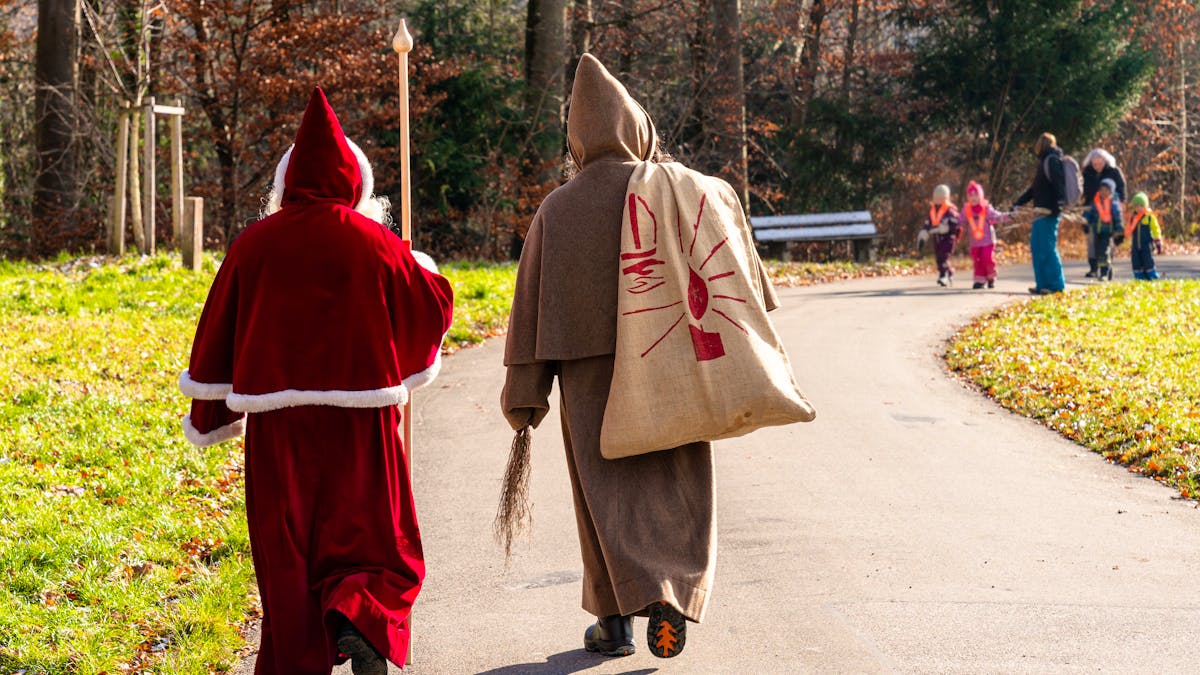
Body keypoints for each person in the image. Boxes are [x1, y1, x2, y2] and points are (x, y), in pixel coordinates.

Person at [178, 88, 454, 675]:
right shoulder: (378, 244)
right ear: (357, 183)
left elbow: (217, 334)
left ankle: (300, 657)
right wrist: (421, 266)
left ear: (285, 183)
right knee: (377, 538)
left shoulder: (252, 246)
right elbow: (428, 307)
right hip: (364, 425)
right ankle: (360, 611)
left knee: (289, 557)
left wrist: (210, 417)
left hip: (280, 434)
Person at [501, 54, 762, 660]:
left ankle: (614, 621)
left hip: (588, 377)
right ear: (638, 127)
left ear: (578, 138)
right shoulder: (679, 191)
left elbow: (529, 309)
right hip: (674, 358)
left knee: (603, 499)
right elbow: (739, 275)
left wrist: (525, 396)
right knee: (676, 483)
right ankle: (669, 593)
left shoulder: (557, 209)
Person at [1013, 132, 1068, 295]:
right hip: (1040, 211)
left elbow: (1059, 184)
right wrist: (1019, 202)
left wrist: (1059, 205)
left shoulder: (1052, 160)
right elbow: (1034, 189)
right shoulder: (1045, 161)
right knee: (1037, 247)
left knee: (1047, 247)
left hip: (1049, 211)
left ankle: (1056, 285)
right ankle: (1042, 283)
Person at [1081, 149, 1127, 278]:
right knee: (1092, 241)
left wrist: (1122, 202)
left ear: (1105, 162)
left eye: (1100, 164)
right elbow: (1082, 190)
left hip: (1109, 210)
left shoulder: (1113, 171)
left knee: (1106, 243)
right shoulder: (1087, 173)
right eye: (1095, 164)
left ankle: (1106, 267)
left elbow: (1122, 187)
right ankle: (1093, 268)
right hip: (1092, 208)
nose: (1097, 167)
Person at [961, 181, 1009, 289]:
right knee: (977, 260)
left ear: (981, 196)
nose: (973, 197)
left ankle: (991, 277)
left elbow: (995, 217)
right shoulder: (966, 209)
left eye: (976, 194)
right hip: (975, 242)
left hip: (988, 240)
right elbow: (961, 221)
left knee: (987, 258)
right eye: (971, 195)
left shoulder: (986, 207)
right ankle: (980, 280)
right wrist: (953, 224)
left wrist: (1007, 216)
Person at [917, 184, 961, 287]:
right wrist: (924, 234)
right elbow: (928, 224)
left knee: (944, 256)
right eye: (936, 198)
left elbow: (956, 222)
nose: (938, 200)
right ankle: (948, 272)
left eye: (941, 198)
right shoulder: (933, 210)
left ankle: (943, 275)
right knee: (939, 257)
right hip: (937, 237)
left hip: (948, 238)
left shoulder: (950, 210)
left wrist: (948, 227)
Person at [1115, 191, 1165, 280]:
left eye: (1141, 206)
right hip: (1135, 245)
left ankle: (1151, 275)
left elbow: (1156, 230)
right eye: (1136, 206)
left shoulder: (1149, 217)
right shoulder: (1133, 218)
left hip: (1147, 244)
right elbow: (1128, 229)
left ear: (1145, 206)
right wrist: (1122, 236)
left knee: (1148, 260)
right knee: (1136, 262)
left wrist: (1158, 242)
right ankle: (1139, 276)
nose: (1138, 208)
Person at [1085, 178, 1122, 281]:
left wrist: (1119, 230)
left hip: (1108, 232)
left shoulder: (1113, 203)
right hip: (1097, 231)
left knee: (1104, 252)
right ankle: (1107, 270)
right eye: (1101, 190)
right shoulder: (1095, 202)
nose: (1103, 192)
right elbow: (1089, 214)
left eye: (1106, 190)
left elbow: (1118, 217)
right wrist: (1086, 223)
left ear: (1111, 191)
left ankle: (1104, 272)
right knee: (1097, 252)